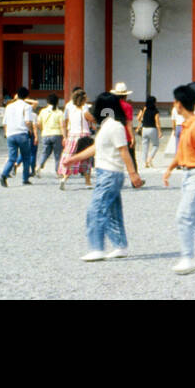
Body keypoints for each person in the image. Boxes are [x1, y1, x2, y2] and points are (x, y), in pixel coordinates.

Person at [63, 92, 144, 261]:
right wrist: (74, 159)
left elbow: (124, 151)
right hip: (107, 173)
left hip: (109, 174)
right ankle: (120, 246)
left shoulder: (114, 126)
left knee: (96, 210)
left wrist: (133, 174)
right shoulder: (108, 126)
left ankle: (96, 248)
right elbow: (96, 148)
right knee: (113, 212)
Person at [164, 82, 195, 274]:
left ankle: (187, 258)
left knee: (183, 216)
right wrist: (170, 168)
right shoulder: (187, 125)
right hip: (187, 173)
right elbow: (182, 151)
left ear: (179, 104)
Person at [0, 87, 36, 187]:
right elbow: (28, 121)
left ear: (17, 94)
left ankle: (4, 175)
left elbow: (4, 122)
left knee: (12, 158)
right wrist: (31, 131)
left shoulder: (9, 106)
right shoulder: (27, 106)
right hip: (22, 134)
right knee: (26, 157)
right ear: (27, 96)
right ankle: (25, 179)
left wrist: (6, 133)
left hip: (10, 134)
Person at [59, 88, 94, 189]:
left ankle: (64, 178)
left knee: (70, 158)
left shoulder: (68, 106)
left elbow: (64, 121)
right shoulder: (84, 107)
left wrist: (64, 136)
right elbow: (89, 117)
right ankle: (88, 182)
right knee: (86, 159)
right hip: (83, 135)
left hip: (72, 135)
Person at [35, 94, 65, 175]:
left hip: (45, 134)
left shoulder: (43, 111)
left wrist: (43, 130)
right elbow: (62, 125)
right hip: (57, 134)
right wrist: (65, 136)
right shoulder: (59, 112)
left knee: (45, 152)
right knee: (58, 154)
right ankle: (58, 171)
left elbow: (38, 123)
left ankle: (39, 166)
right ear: (57, 102)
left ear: (47, 102)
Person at [137, 95, 162, 169]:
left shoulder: (144, 109)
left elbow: (139, 118)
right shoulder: (155, 111)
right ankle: (149, 159)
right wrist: (160, 131)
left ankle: (144, 163)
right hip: (152, 129)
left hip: (144, 129)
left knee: (145, 146)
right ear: (154, 102)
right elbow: (157, 122)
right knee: (156, 145)